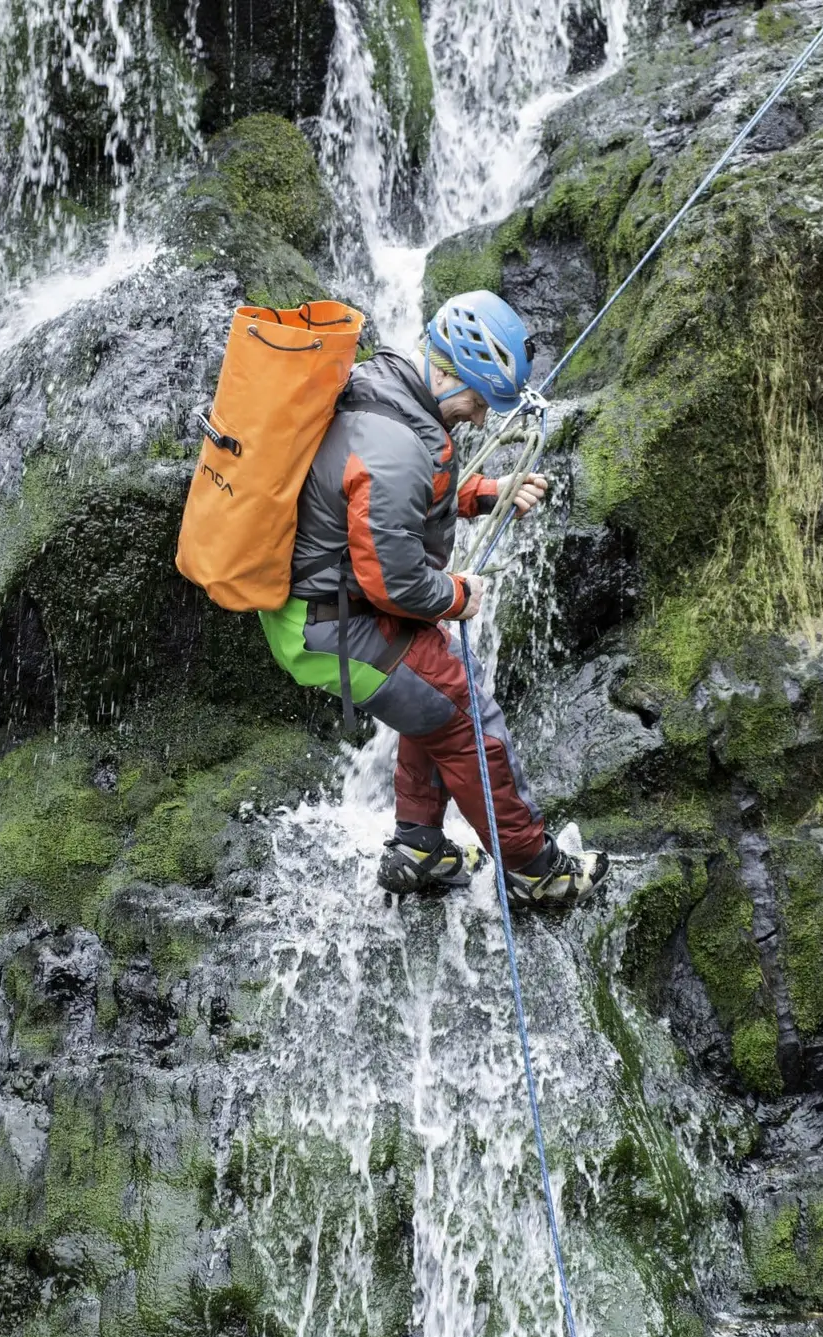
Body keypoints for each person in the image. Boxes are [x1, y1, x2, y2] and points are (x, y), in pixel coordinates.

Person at [259, 290, 608, 907]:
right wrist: (456, 595)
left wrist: (485, 493)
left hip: (322, 610)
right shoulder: (393, 443)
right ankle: (534, 869)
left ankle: (420, 848)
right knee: (465, 714)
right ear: (446, 373)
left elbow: (390, 495)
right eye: (477, 402)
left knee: (437, 692)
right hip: (332, 625)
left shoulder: (385, 387)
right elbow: (392, 580)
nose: (479, 418)